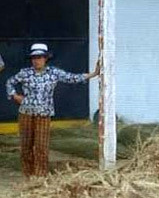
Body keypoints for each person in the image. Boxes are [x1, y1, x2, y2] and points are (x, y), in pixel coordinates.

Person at [6, 43, 100, 178]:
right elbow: (9, 82)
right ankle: (28, 175)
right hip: (26, 113)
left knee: (41, 147)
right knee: (26, 146)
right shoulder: (25, 73)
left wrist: (93, 74)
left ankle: (40, 176)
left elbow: (71, 77)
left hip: (44, 114)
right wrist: (14, 96)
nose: (36, 60)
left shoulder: (53, 73)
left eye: (39, 57)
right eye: (34, 58)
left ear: (45, 59)